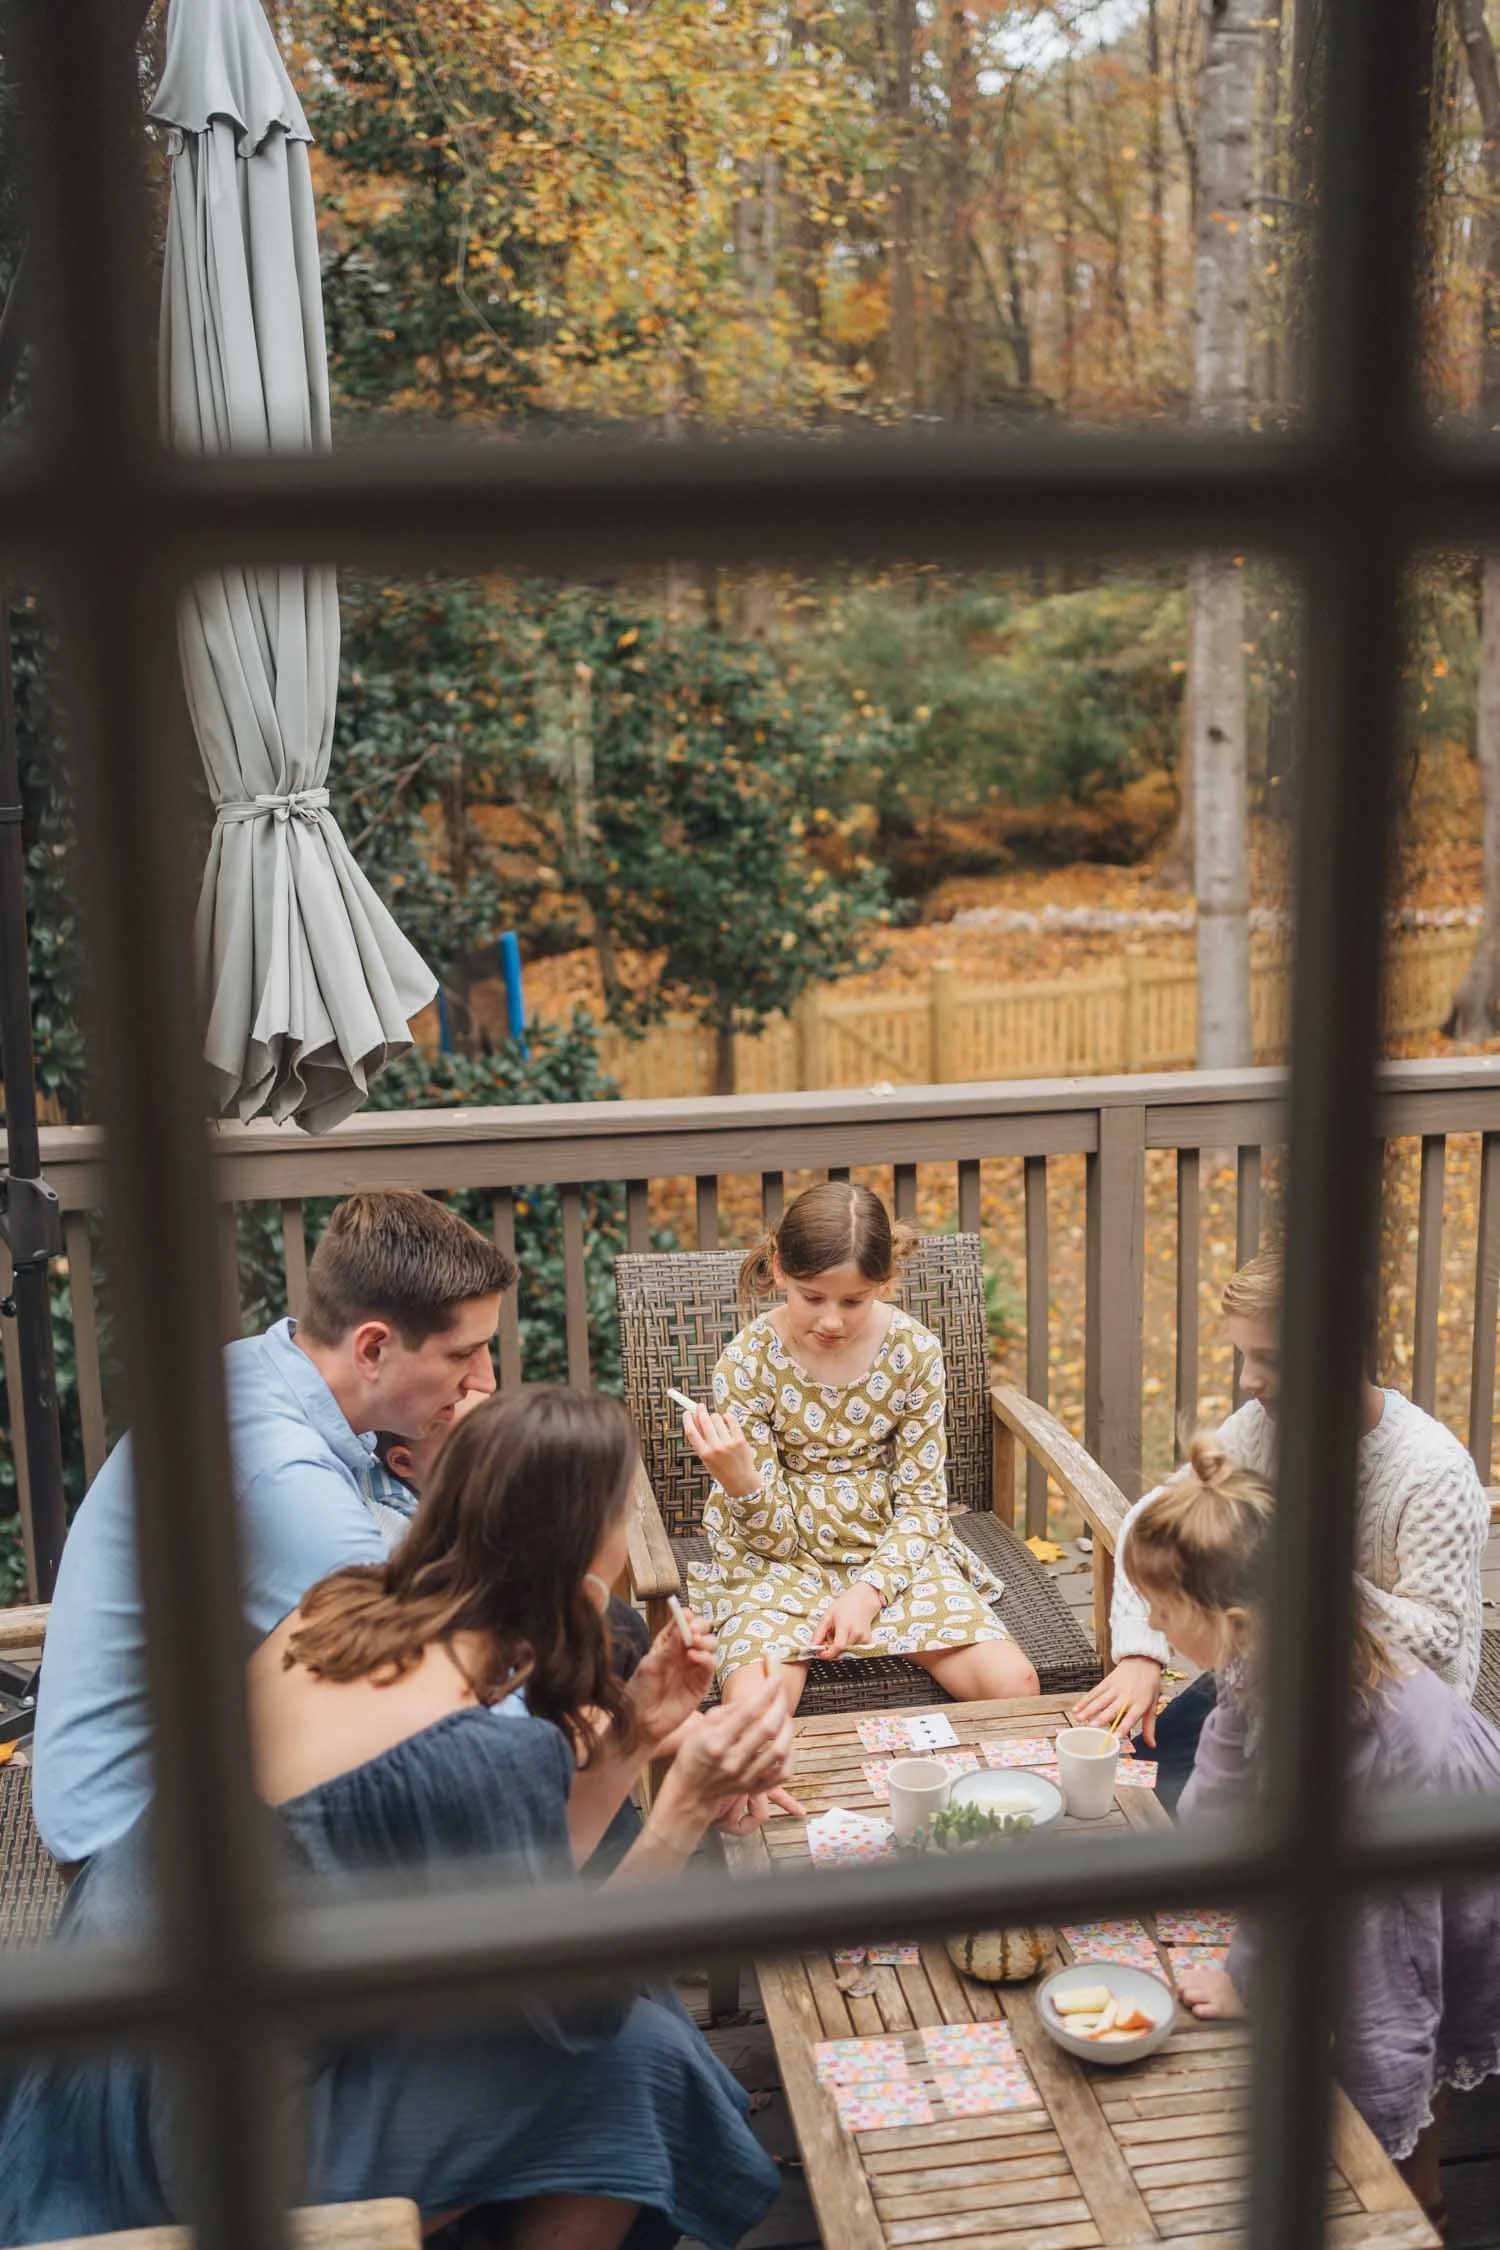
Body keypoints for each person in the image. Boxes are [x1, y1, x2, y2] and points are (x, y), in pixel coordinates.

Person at [0, 1388, 791, 2250]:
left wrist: (634, 1730)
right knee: (637, 2062)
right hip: (216, 2131)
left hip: (114, 2036)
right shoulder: (476, 1744)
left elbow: (514, 1877)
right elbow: (575, 2003)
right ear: (584, 1552)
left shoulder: (340, 1608)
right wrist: (684, 1807)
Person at [33, 1189, 513, 1870]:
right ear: (373, 1347)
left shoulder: (262, 1370)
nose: (486, 1382)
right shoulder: (282, 1477)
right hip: (139, 1857)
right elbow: (414, 1686)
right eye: (464, 1354)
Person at [1124, 1435, 1500, 2225]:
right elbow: (1227, 1772)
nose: (1152, 1624)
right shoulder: (1257, 1648)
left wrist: (1246, 1979)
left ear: (1227, 1617)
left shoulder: (1335, 1722)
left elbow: (1299, 1877)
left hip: (1433, 1844)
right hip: (1386, 1812)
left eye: (1162, 1611)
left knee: (1398, 2009)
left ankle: (1411, 2196)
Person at [1073, 1244, 1490, 1808]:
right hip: (1268, 1677)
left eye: (1269, 1358)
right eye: (1243, 1355)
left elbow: (1440, 1640)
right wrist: (1142, 1653)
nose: (1249, 1379)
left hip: (1385, 1724)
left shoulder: (1432, 1471)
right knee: (1134, 1780)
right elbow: (1156, 1519)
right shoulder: (1260, 1429)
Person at [681, 1179, 1040, 1711]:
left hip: (891, 1553)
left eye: (853, 1301)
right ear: (779, 1269)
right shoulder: (747, 1362)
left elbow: (922, 1502)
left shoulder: (914, 1351)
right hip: (779, 1567)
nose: (831, 1320)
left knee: (1014, 1686)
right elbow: (771, 1545)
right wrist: (742, 1483)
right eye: (812, 1297)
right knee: (754, 1712)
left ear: (885, 1283)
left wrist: (869, 1592)